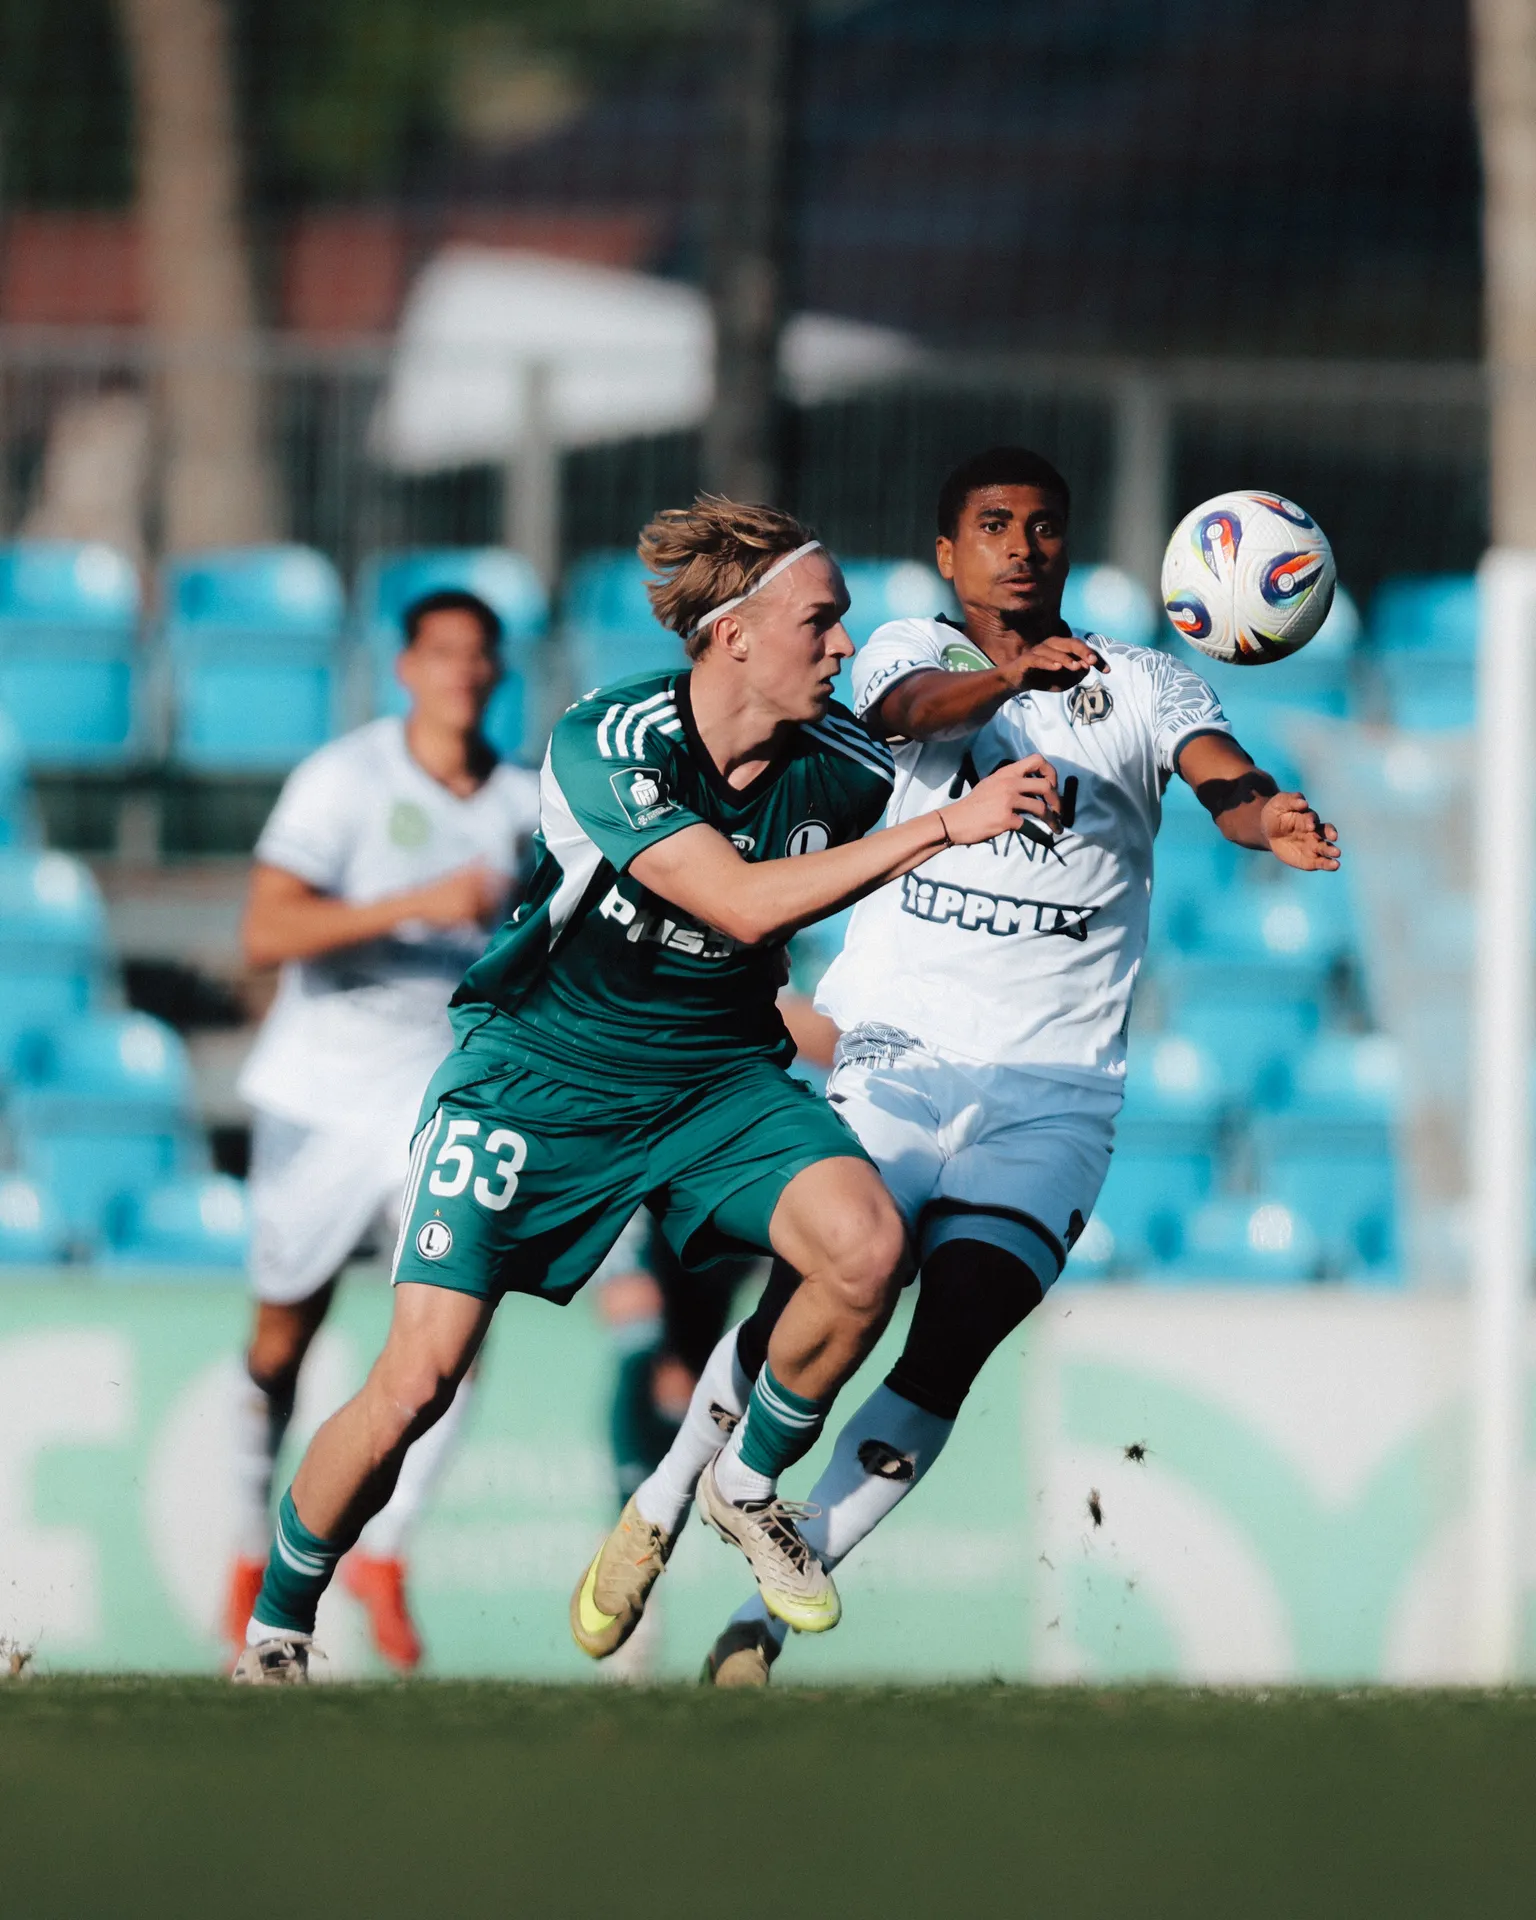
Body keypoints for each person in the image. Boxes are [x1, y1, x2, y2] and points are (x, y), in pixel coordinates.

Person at [234, 496, 1057, 1683]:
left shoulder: (840, 766)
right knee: (417, 1379)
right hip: (536, 1080)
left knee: (867, 1248)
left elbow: (913, 725)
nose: (840, 645)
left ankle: (744, 1482)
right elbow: (736, 901)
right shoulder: (609, 737)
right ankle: (276, 1628)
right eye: (821, 623)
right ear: (733, 635)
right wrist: (943, 832)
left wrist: (1010, 695)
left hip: (715, 1080)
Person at [597, 445, 1342, 1686]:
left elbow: (1227, 786)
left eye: (1044, 526)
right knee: (827, 1299)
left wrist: (1273, 821)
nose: (1021, 545)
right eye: (992, 525)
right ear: (948, 553)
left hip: (1054, 1093)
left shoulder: (1148, 686)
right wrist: (1003, 675)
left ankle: (769, 1614)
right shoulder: (898, 651)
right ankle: (669, 1497)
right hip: (898, 1057)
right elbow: (902, 718)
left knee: (957, 1335)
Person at [225, 589, 540, 1671]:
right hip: (320, 1097)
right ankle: (240, 1547)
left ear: (500, 672)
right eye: (441, 652)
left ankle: (386, 1554)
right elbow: (268, 928)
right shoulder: (345, 779)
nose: (462, 671)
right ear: (405, 667)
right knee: (283, 1339)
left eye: (479, 655)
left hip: (441, 1103)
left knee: (450, 1342)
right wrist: (414, 903)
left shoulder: (524, 801)